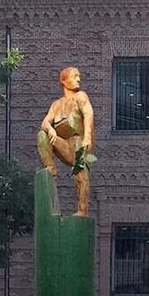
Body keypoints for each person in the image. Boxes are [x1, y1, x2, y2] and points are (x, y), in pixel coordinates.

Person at [37, 66, 95, 216]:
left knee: (81, 176)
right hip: (64, 144)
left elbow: (88, 114)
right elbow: (45, 122)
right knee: (42, 135)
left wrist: (87, 136)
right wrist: (50, 130)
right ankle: (50, 167)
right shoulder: (56, 104)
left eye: (79, 76)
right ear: (63, 80)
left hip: (78, 143)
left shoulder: (81, 96)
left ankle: (82, 210)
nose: (78, 79)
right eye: (74, 76)